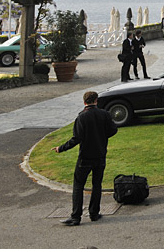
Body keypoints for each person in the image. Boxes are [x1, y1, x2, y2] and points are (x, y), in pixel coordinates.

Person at [53, 91, 118, 226]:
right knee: (97, 184)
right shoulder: (104, 114)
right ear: (96, 101)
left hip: (85, 156)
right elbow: (113, 130)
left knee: (78, 185)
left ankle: (76, 216)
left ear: (84, 102)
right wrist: (102, 136)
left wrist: (61, 148)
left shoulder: (82, 117)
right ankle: (94, 213)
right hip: (100, 154)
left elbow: (76, 139)